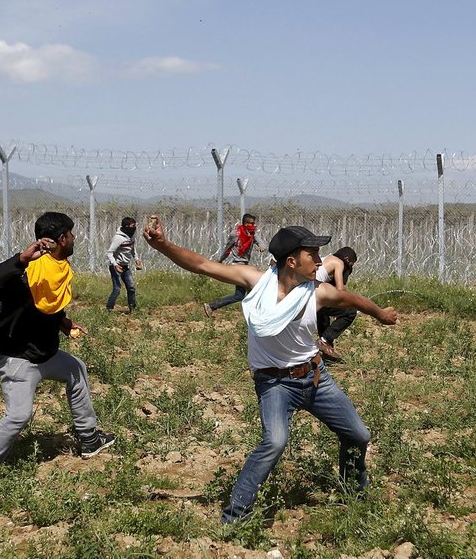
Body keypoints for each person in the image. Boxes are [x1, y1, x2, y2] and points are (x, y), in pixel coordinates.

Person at [144, 217, 397, 523]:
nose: (320, 261)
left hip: (315, 378)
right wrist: (163, 245)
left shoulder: (318, 292)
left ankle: (353, 493)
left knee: (358, 433)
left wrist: (381, 313)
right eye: (312, 255)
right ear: (291, 261)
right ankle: (235, 517)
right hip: (275, 385)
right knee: (274, 442)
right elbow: (202, 265)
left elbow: (352, 299)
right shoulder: (255, 282)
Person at [0, 211, 114, 465]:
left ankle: (89, 438)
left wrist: (63, 322)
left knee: (76, 369)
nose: (74, 238)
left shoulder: (58, 267)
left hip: (44, 354)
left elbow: (45, 303)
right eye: (71, 234)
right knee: (18, 417)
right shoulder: (29, 269)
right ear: (62, 238)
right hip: (17, 358)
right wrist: (20, 259)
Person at [203, 213, 267, 316]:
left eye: (254, 223)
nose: (253, 225)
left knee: (251, 293)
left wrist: (262, 247)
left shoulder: (252, 234)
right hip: (238, 267)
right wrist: (220, 260)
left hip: (246, 266)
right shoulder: (235, 234)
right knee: (241, 295)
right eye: (251, 223)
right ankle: (212, 306)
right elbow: (227, 249)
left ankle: (254, 316)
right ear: (245, 223)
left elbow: (261, 243)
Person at [314, 247, 358, 361]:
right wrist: (355, 303)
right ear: (347, 259)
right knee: (350, 312)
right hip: (312, 298)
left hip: (307, 295)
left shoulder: (326, 259)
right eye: (351, 264)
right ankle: (324, 341)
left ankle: (327, 352)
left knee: (323, 313)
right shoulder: (339, 263)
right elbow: (340, 291)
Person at [105, 216, 142, 312]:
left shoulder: (131, 237)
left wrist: (137, 259)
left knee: (131, 287)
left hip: (125, 267)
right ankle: (108, 309)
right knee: (117, 289)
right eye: (132, 226)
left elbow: (132, 249)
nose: (134, 228)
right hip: (116, 267)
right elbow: (109, 253)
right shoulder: (118, 238)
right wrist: (115, 265)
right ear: (127, 226)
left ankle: (132, 308)